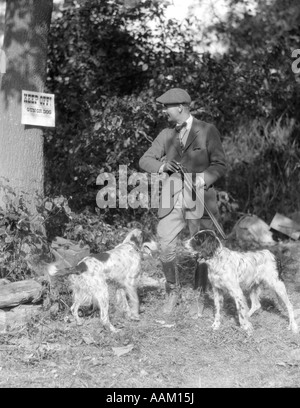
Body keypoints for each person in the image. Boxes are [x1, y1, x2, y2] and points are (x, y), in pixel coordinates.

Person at [139, 88, 226, 317]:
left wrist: (201, 180)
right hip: (170, 198)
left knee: (202, 249)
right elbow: (144, 159)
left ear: (180, 107)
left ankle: (199, 293)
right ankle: (172, 290)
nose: (164, 111)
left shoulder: (207, 130)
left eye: (167, 106)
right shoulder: (166, 135)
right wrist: (161, 167)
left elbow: (219, 164)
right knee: (166, 244)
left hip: (199, 198)